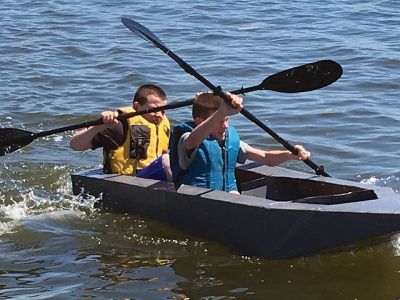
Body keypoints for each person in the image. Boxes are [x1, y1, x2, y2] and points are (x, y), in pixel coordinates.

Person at [169, 92, 311, 193]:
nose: (225, 126)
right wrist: (221, 111)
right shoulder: (187, 138)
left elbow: (265, 157)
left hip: (228, 197)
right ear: (200, 121)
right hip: (196, 200)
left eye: (227, 119)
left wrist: (288, 155)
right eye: (220, 121)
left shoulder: (228, 138)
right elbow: (193, 140)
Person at [70, 84, 172, 181]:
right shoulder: (120, 125)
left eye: (163, 111)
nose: (159, 115)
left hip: (151, 180)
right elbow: (75, 145)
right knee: (167, 161)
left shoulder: (164, 126)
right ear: (136, 106)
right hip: (126, 183)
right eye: (154, 109)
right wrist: (98, 127)